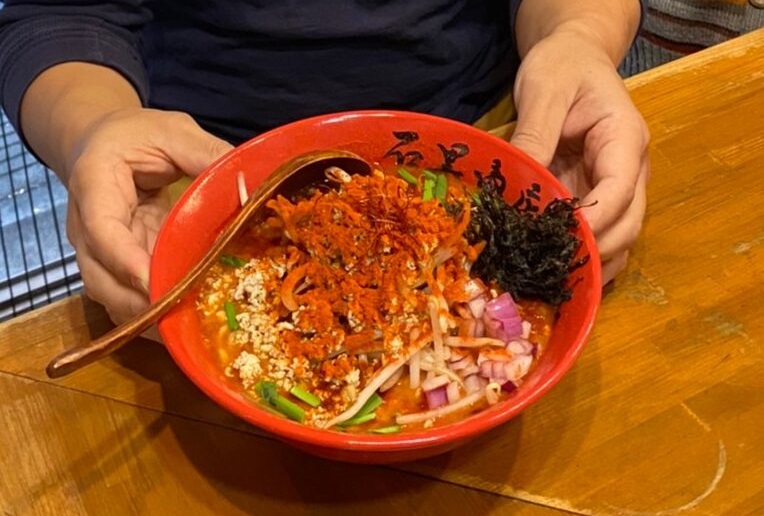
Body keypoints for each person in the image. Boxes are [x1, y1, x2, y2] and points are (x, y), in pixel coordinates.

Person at [0, 1, 650, 325]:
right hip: (195, 177)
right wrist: (94, 131)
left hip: (491, 141)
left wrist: (577, 38)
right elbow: (60, 15)